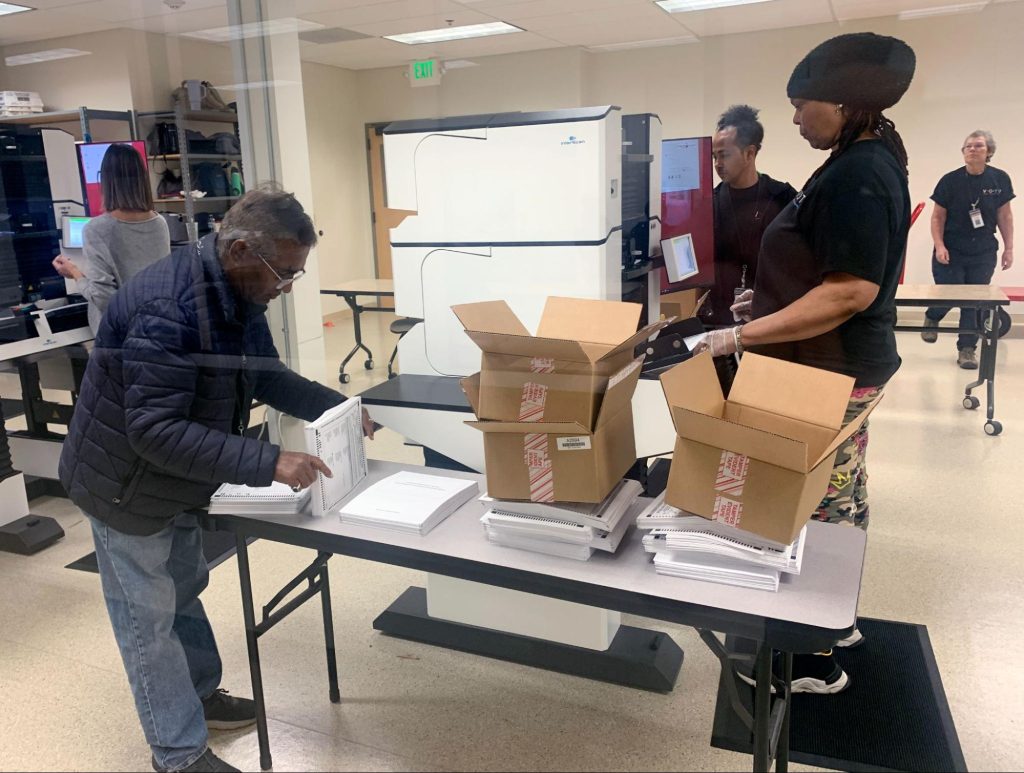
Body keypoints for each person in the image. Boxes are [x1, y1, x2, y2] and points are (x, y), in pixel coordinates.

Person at [58, 187, 375, 773]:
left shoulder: (237, 296)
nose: (287, 286)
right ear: (237, 250)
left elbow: (266, 377)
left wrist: (340, 409)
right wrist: (268, 462)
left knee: (183, 591)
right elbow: (153, 430)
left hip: (177, 481)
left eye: (295, 273)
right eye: (284, 272)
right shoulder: (168, 307)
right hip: (124, 487)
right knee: (147, 624)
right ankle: (178, 754)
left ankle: (201, 695)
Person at [700, 32, 915, 693]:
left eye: (801, 106)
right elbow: (821, 264)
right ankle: (836, 621)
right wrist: (760, 302)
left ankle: (814, 657)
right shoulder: (862, 155)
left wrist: (745, 336)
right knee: (841, 496)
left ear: (844, 103)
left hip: (832, 371)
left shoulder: (860, 174)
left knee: (817, 504)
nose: (794, 120)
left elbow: (852, 289)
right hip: (836, 366)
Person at [52, 143, 171, 332]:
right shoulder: (159, 223)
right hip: (158, 326)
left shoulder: (97, 229)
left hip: (119, 336)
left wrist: (75, 273)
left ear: (106, 180)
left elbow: (104, 298)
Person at [921, 130, 1015, 368]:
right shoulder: (949, 180)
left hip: (983, 250)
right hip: (952, 249)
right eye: (968, 146)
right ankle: (932, 316)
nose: (972, 149)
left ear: (989, 152)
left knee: (972, 301)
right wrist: (939, 245)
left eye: (979, 146)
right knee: (950, 293)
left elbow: (1005, 216)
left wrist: (1009, 248)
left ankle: (966, 349)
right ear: (963, 152)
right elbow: (937, 218)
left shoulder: (999, 179)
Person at [705, 104, 796, 327]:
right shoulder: (709, 203)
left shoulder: (782, 198)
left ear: (750, 153)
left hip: (770, 316)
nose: (717, 164)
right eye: (714, 156)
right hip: (720, 319)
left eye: (724, 155)